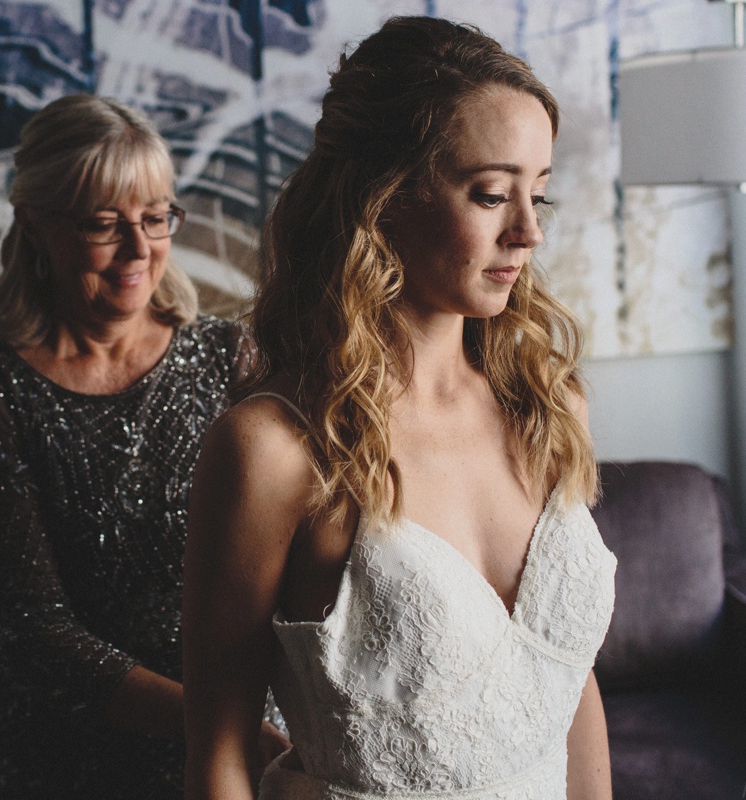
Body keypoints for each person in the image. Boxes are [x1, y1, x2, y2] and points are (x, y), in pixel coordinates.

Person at [182, 16, 617, 800]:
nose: (526, 232)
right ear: (381, 198)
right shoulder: (273, 450)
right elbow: (220, 753)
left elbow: (566, 689)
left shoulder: (552, 409)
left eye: (539, 194)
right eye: (490, 194)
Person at [0, 93, 284, 799]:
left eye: (156, 218)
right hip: (69, 762)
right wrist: (217, 721)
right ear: (34, 224)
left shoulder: (231, 360)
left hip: (243, 747)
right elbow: (32, 634)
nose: (139, 248)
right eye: (103, 224)